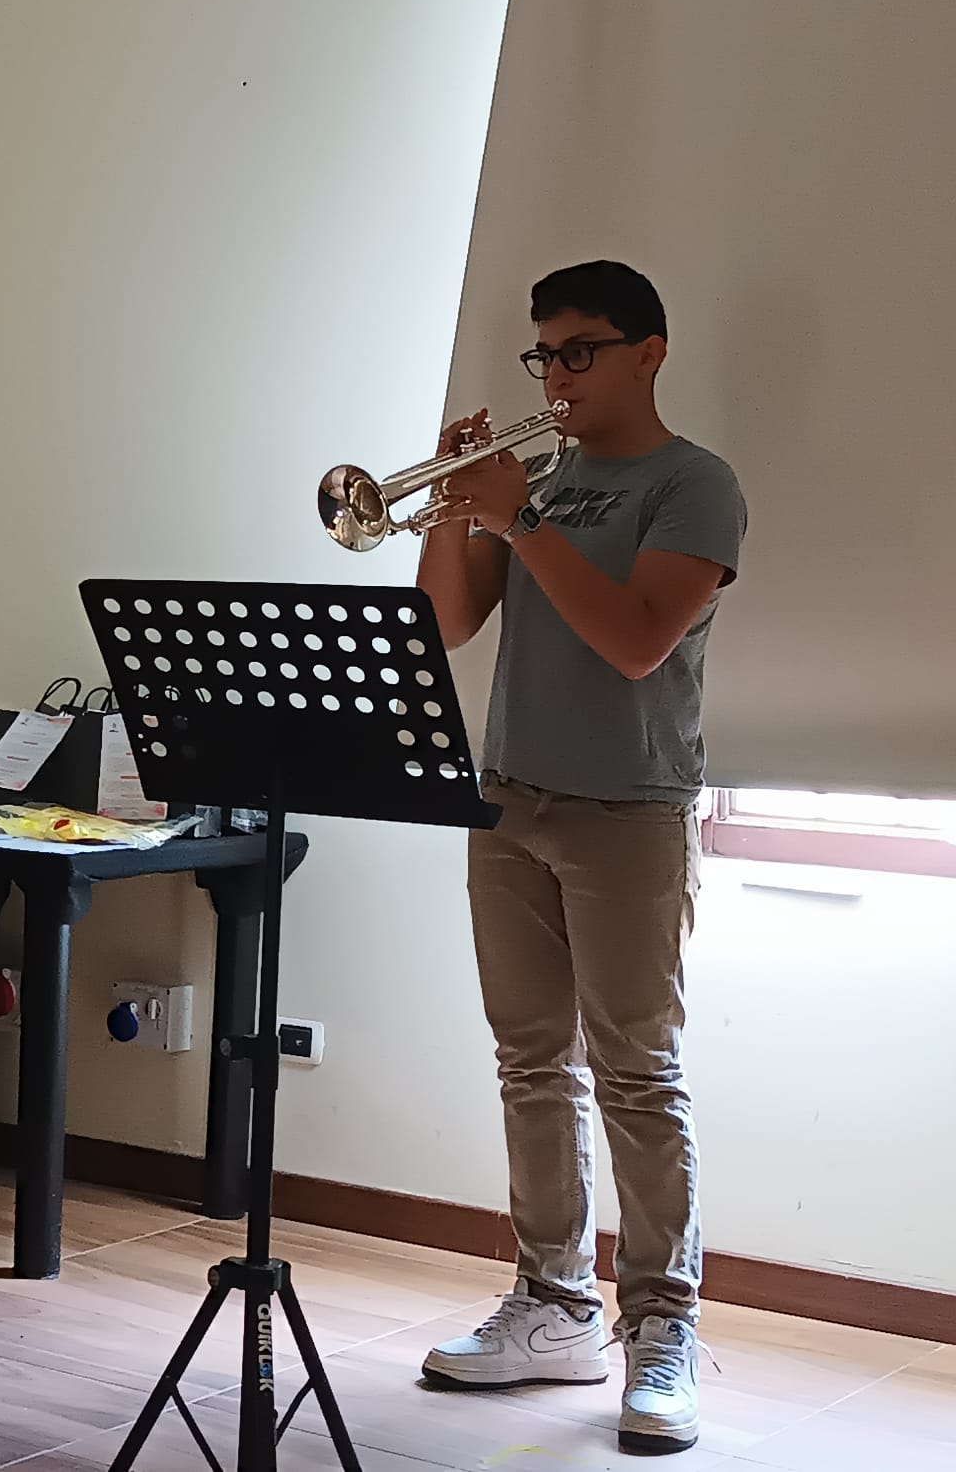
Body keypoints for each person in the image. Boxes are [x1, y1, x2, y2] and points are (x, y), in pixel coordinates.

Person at [411, 262, 747, 1455]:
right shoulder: (539, 484)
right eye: (543, 355)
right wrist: (452, 503)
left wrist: (518, 520)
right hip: (508, 800)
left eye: (578, 351)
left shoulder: (691, 484)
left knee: (636, 1074)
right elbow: (445, 623)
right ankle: (551, 1306)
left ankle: (658, 1328)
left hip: (628, 809)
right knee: (528, 1064)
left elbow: (636, 640)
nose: (555, 375)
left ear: (646, 352)